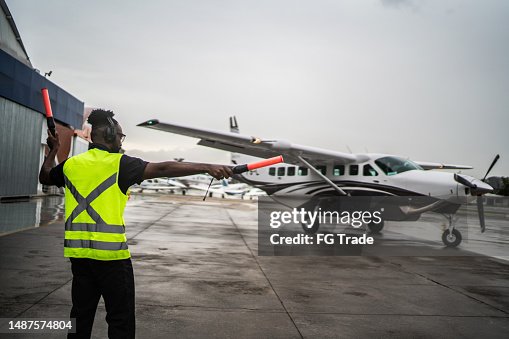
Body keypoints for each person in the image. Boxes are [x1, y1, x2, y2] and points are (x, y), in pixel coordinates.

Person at [39, 109, 232, 338]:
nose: (121, 141)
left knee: (79, 317)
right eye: (120, 136)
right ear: (110, 135)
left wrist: (52, 151)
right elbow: (162, 169)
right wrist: (206, 166)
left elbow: (45, 176)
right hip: (112, 260)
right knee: (121, 320)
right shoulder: (119, 164)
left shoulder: (71, 166)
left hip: (80, 258)